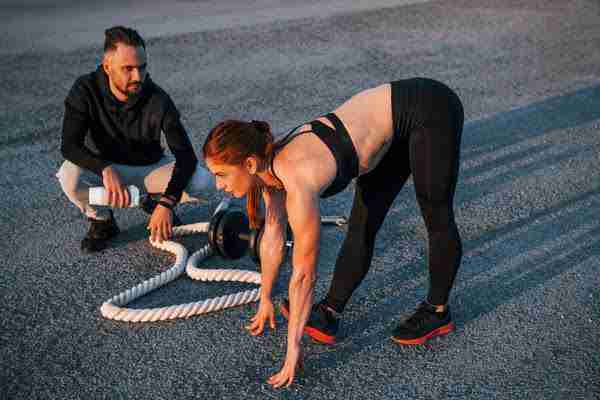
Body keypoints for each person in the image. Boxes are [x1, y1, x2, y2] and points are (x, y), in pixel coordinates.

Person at [203, 77, 464, 387]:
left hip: (430, 109)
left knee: (434, 210)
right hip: (389, 132)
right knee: (362, 225)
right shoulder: (266, 170)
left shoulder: (297, 179)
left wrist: (293, 350)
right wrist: (265, 297)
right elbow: (272, 235)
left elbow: (303, 273)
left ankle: (437, 310)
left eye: (221, 175)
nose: (219, 185)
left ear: (248, 164)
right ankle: (329, 312)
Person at [57, 26, 214, 252]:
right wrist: (103, 168)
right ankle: (102, 221)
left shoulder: (158, 99)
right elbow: (69, 146)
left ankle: (152, 200)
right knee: (68, 176)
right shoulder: (85, 89)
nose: (137, 76)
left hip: (148, 168)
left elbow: (186, 157)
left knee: (203, 182)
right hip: (106, 169)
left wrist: (167, 203)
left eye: (142, 67)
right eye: (128, 69)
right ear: (107, 67)